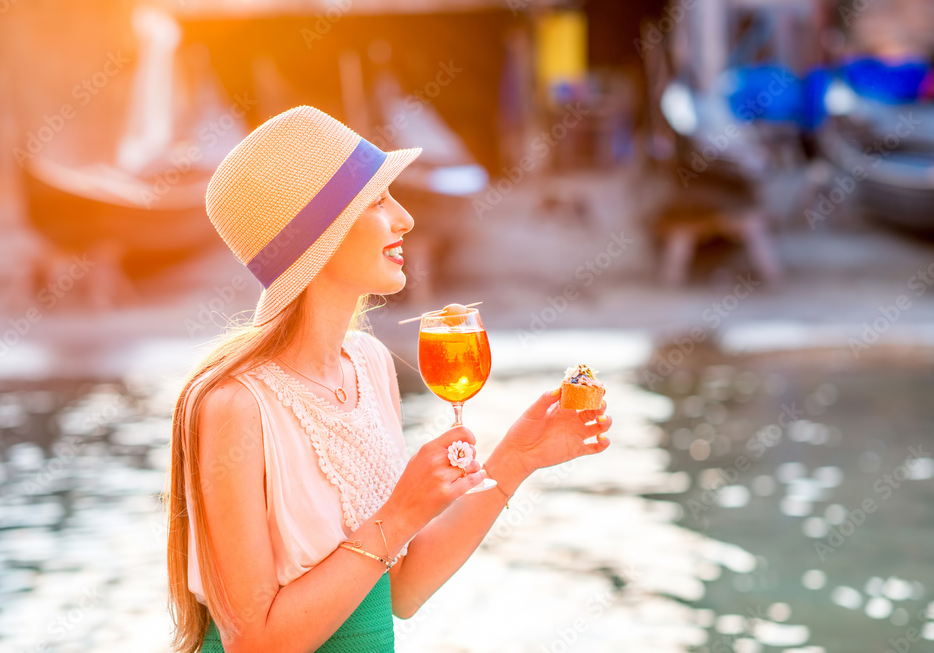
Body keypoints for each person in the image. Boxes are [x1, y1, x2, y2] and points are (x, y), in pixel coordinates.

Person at [164, 105, 613, 652]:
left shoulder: (370, 363)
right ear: (319, 235)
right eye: (377, 199)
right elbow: (254, 644)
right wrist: (399, 513)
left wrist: (514, 461)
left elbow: (400, 587)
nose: (405, 218)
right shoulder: (235, 406)